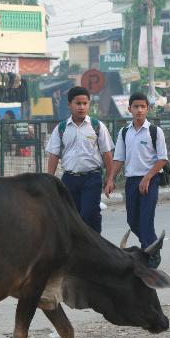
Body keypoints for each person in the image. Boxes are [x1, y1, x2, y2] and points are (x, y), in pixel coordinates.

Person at [105, 92, 168, 268]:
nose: (139, 110)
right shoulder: (125, 132)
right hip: (131, 180)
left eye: (142, 106)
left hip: (151, 179)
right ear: (129, 109)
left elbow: (162, 159)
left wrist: (147, 178)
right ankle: (153, 246)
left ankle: (150, 257)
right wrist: (110, 179)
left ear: (147, 109)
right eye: (136, 107)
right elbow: (118, 159)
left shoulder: (155, 131)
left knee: (146, 219)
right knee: (133, 221)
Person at [45, 86, 114, 234]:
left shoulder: (97, 126)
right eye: (78, 103)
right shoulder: (61, 128)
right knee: (71, 216)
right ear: (69, 105)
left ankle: (96, 247)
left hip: (92, 178)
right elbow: (54, 155)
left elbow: (107, 154)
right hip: (69, 179)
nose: (82, 107)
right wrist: (50, 181)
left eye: (85, 103)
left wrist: (110, 179)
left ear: (89, 104)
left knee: (90, 214)